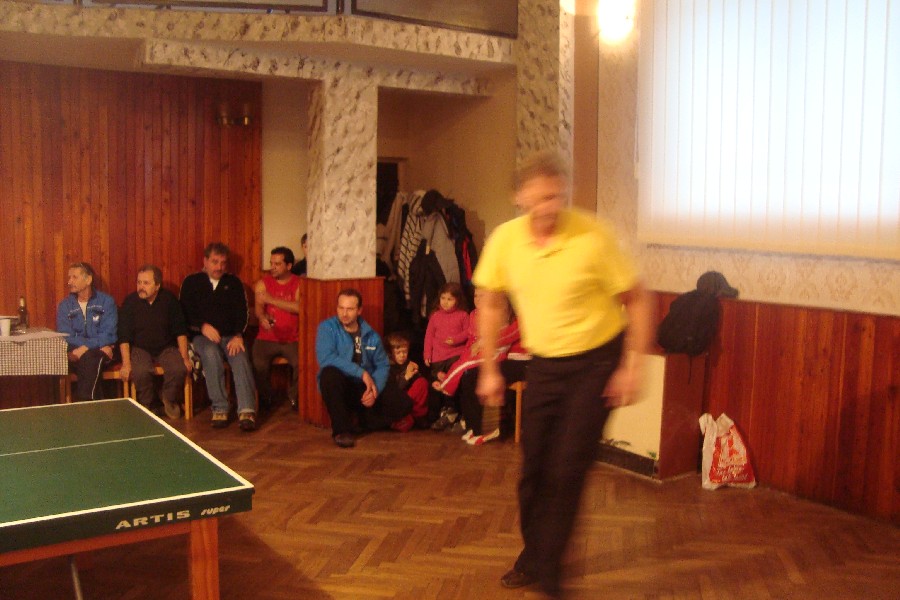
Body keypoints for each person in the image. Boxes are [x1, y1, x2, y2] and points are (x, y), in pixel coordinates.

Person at [474, 151, 653, 598]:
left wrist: (632, 367)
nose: (548, 208)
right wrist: (489, 368)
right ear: (519, 197)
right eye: (538, 199)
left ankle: (551, 577)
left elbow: (638, 299)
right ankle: (536, 554)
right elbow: (491, 303)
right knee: (534, 470)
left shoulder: (593, 235)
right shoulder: (505, 240)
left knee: (567, 468)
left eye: (555, 197)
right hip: (546, 364)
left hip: (596, 362)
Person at [315, 289, 410, 448]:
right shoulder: (327, 328)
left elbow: (382, 365)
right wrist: (361, 373)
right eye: (341, 308)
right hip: (341, 385)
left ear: (359, 310)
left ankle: (364, 421)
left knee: (404, 404)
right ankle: (342, 431)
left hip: (364, 386)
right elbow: (326, 358)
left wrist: (374, 390)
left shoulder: (370, 335)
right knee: (329, 375)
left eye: (350, 309)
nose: (344, 313)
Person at [180, 242, 258, 431]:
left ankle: (247, 410)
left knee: (240, 356)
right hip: (201, 337)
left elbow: (243, 313)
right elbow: (183, 313)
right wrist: (202, 326)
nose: (219, 267)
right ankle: (220, 407)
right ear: (205, 261)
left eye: (223, 263)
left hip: (231, 336)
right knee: (210, 353)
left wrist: (238, 335)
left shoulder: (234, 283)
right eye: (215, 262)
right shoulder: (191, 282)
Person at [118, 265, 192, 419]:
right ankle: (148, 405)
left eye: (146, 283)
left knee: (178, 368)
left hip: (166, 346)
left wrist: (185, 358)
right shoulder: (130, 302)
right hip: (140, 348)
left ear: (157, 285)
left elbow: (181, 331)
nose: (141, 287)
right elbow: (124, 336)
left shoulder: (169, 300)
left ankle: (168, 399)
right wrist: (126, 363)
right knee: (141, 371)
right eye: (139, 282)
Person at [57, 262, 118, 401]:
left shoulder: (106, 302)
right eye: (69, 277)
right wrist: (85, 348)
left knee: (90, 358)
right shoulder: (65, 306)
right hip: (76, 353)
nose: (69, 282)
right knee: (88, 359)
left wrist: (85, 348)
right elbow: (65, 336)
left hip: (95, 353)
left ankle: (85, 403)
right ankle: (91, 405)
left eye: (74, 277)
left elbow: (108, 334)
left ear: (88, 279)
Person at [252, 246, 301, 411]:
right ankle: (266, 397)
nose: (272, 267)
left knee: (302, 363)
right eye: (271, 263)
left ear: (289, 266)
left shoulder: (299, 283)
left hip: (292, 338)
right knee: (258, 363)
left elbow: (299, 307)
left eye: (277, 264)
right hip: (266, 337)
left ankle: (295, 397)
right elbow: (259, 308)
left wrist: (271, 300)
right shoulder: (262, 284)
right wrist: (262, 318)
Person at [384, 332, 430, 430]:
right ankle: (402, 419)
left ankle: (417, 416)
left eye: (405, 352)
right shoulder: (388, 367)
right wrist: (406, 378)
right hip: (396, 401)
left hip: (408, 399)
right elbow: (392, 391)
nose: (402, 355)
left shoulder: (408, 364)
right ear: (391, 353)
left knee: (422, 382)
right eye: (398, 353)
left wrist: (415, 373)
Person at [423, 282, 469, 375]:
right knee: (437, 378)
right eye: (443, 298)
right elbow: (429, 336)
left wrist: (456, 339)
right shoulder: (435, 316)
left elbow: (468, 332)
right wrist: (427, 354)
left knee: (454, 375)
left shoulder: (463, 315)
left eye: (449, 299)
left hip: (456, 354)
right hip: (438, 357)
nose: (445, 302)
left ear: (457, 300)